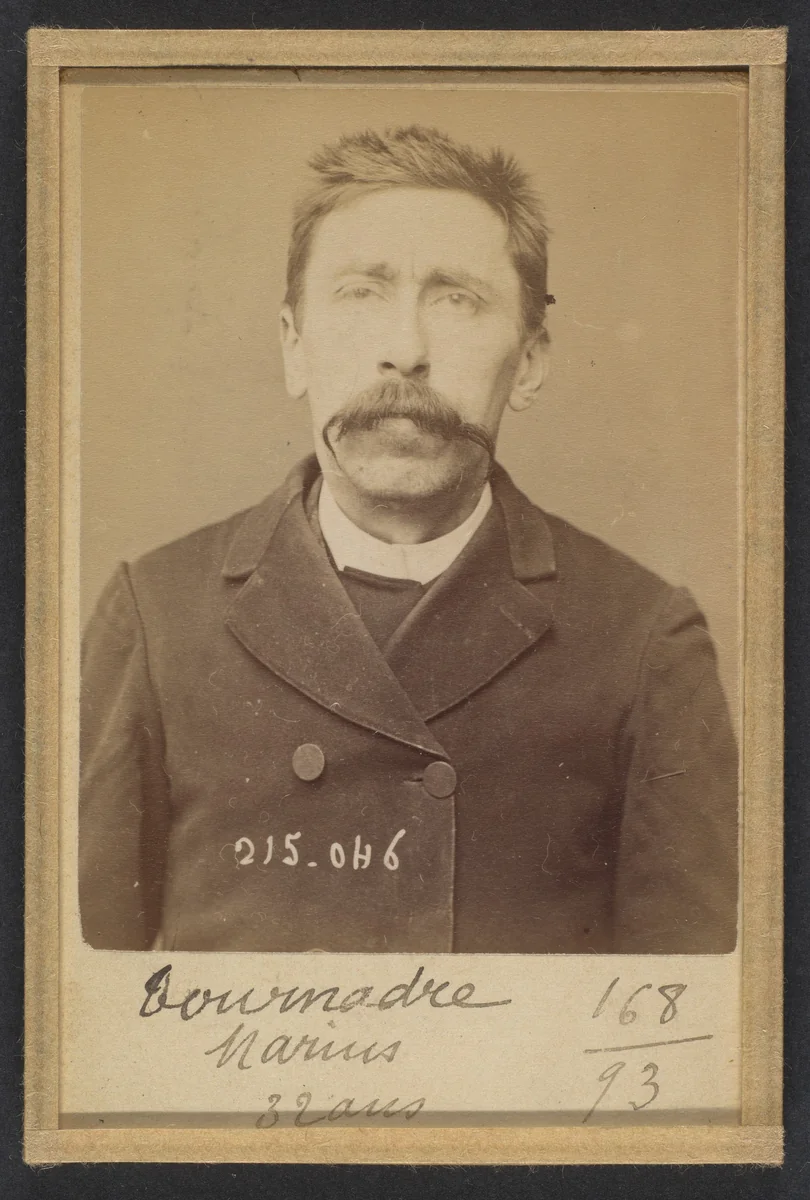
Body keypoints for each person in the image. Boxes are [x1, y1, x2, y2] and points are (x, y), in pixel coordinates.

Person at [79, 125, 738, 954]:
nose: (406, 351)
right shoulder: (154, 615)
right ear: (293, 345)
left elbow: (692, 1013)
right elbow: (78, 1000)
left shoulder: (644, 638)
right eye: (361, 293)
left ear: (530, 361)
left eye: (457, 300)